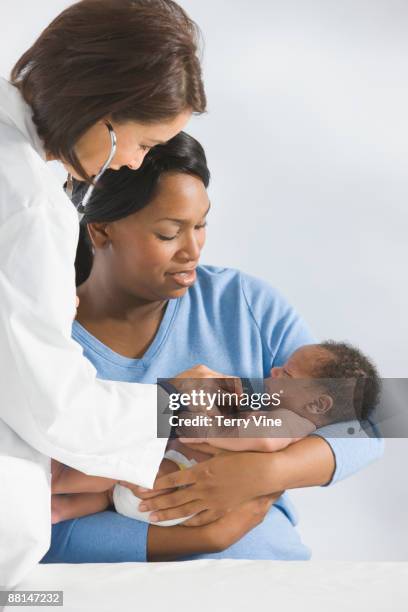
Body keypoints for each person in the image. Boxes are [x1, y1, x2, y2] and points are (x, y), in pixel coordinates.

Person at [41, 132, 383, 563]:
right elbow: (28, 522)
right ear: (102, 229)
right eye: (169, 233)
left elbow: (366, 425)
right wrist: (204, 538)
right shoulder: (45, 334)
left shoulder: (244, 304)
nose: (193, 251)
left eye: (201, 226)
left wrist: (264, 472)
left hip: (270, 575)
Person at [0, 0, 232, 586]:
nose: (132, 164)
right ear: (99, 110)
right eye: (143, 141)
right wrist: (172, 404)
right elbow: (53, 407)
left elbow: (359, 410)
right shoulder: (28, 206)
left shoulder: (242, 302)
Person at [49, 340, 381, 526]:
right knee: (105, 495)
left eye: (287, 373)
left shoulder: (293, 422)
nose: (274, 370)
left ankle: (55, 480)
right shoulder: (280, 413)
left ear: (319, 404)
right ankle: (57, 510)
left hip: (177, 485)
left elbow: (261, 439)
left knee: (115, 470)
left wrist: (208, 429)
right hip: (173, 489)